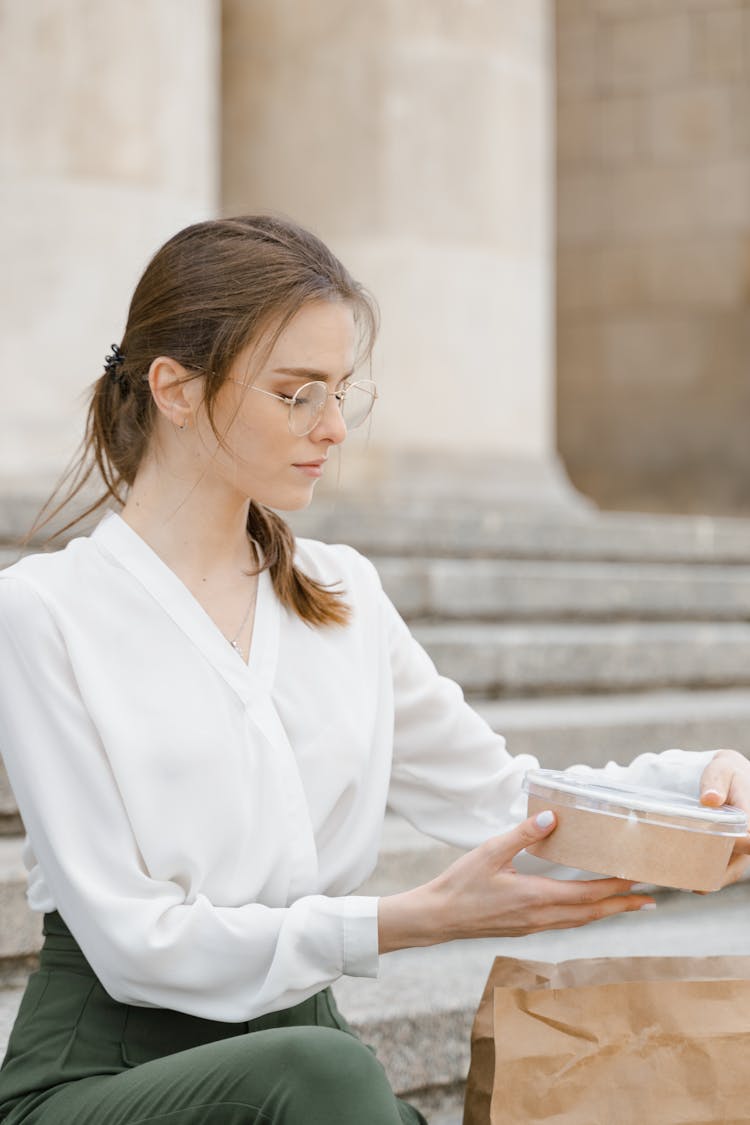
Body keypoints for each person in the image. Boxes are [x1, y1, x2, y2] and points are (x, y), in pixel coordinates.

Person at [0, 214, 748, 1125]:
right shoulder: (45, 611)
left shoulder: (339, 591)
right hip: (107, 1073)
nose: (333, 428)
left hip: (314, 1067)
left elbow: (506, 798)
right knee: (324, 1076)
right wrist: (415, 918)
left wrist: (692, 795)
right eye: (295, 394)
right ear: (175, 388)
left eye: (342, 391)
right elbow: (132, 943)